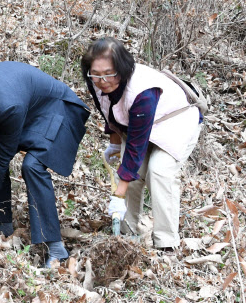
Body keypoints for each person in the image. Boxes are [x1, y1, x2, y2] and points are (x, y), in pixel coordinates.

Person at [0, 55, 89, 267]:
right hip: (31, 110)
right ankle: (2, 222)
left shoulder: (7, 103)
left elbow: (5, 154)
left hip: (59, 111)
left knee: (32, 166)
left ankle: (55, 247)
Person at [81, 38, 202, 251]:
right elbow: (108, 110)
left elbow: (136, 146)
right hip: (138, 124)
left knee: (159, 172)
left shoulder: (142, 90)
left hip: (175, 121)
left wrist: (118, 193)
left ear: (123, 68)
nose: (102, 80)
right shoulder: (96, 82)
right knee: (131, 176)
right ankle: (125, 237)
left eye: (109, 73)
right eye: (96, 74)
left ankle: (166, 243)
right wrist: (115, 144)